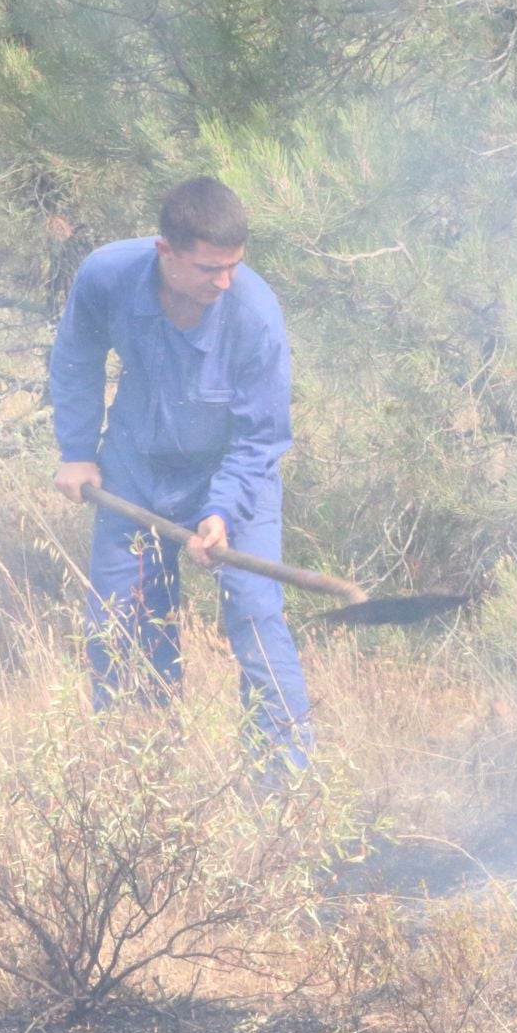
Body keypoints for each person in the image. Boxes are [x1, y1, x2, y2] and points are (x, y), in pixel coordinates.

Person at [49, 177, 312, 771]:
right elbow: (76, 358)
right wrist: (76, 450)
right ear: (165, 251)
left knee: (255, 614)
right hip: (135, 469)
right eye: (208, 268)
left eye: (233, 267)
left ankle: (285, 791)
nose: (224, 283)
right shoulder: (107, 275)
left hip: (233, 475)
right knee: (122, 623)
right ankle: (141, 784)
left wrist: (219, 512)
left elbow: (260, 438)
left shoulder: (254, 314)